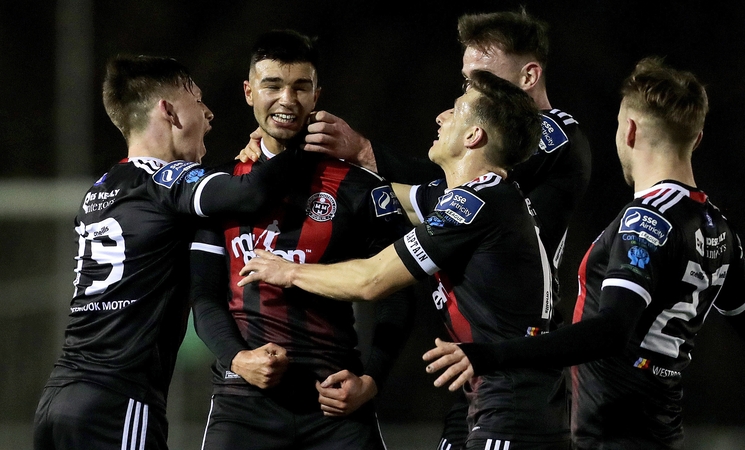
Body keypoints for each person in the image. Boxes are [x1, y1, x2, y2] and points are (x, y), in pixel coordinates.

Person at [422, 57, 745, 449]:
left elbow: (611, 331)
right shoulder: (718, 227)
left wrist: (491, 355)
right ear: (698, 138)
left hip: (614, 433)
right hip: (661, 430)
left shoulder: (645, 221)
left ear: (631, 131)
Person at [239, 70, 571, 450]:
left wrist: (287, 271)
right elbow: (377, 198)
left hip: (513, 410)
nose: (441, 117)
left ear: (473, 136)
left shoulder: (473, 205)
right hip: (499, 402)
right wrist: (281, 158)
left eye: (456, 110)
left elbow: (371, 280)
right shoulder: (485, 196)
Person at [32, 55, 318, 450]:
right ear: (167, 111)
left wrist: (239, 168)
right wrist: (297, 135)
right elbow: (250, 194)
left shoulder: (103, 187)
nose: (209, 112)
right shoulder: (166, 181)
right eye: (197, 100)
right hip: (117, 401)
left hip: (59, 399)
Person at [189, 30, 415, 450]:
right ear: (249, 91)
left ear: (317, 96)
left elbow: (398, 295)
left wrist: (371, 381)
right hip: (244, 400)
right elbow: (203, 295)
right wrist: (239, 359)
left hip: (335, 402)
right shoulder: (219, 187)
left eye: (300, 86)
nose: (287, 99)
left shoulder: (356, 187)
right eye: (272, 85)